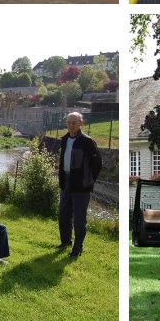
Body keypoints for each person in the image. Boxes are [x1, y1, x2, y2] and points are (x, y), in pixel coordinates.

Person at [57, 111, 103, 258]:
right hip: (66, 183)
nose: (71, 126)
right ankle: (65, 242)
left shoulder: (87, 142)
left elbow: (97, 164)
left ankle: (77, 248)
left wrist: (88, 180)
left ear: (81, 123)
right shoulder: (64, 139)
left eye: (74, 123)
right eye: (69, 123)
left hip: (82, 187)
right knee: (63, 215)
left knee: (79, 219)